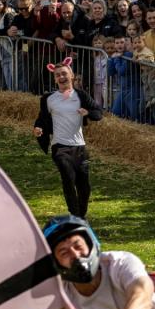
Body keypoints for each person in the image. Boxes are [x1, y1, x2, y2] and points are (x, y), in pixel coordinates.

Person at [33, 58, 103, 219]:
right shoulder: (48, 99)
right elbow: (41, 119)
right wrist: (38, 129)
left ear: (72, 75)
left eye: (64, 73)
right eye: (58, 75)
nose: (61, 77)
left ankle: (81, 216)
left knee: (84, 186)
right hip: (60, 147)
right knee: (68, 178)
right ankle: (74, 215)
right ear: (55, 79)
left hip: (79, 147)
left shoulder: (81, 95)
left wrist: (88, 113)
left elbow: (98, 113)